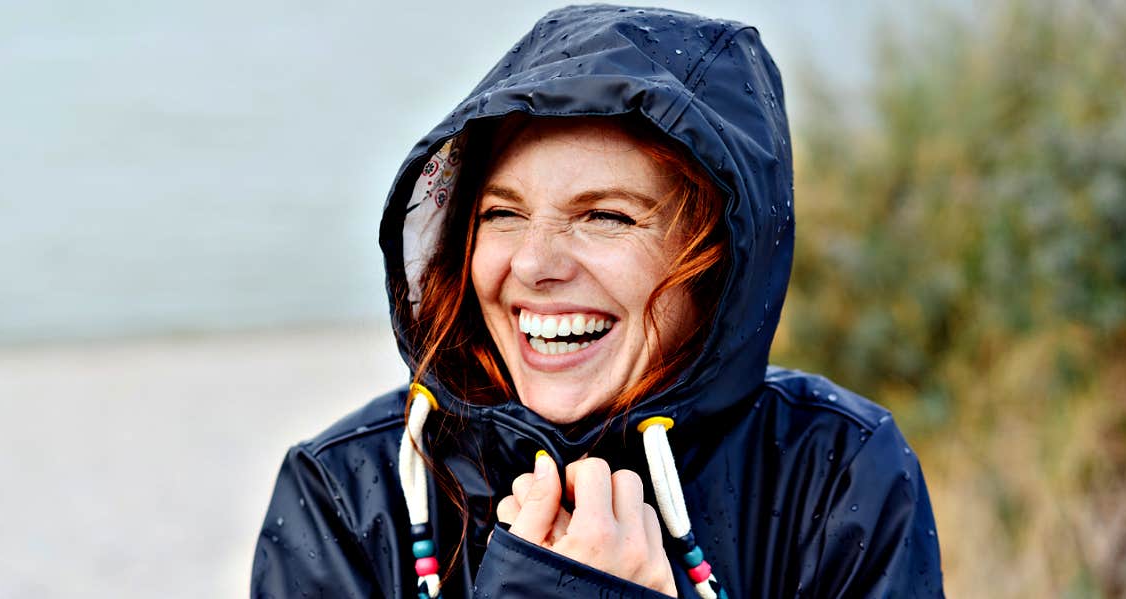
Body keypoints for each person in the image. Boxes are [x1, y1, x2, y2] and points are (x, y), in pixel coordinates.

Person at [251, 5, 944, 598]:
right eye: (501, 214)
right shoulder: (348, 492)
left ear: (722, 257)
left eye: (606, 216)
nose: (534, 264)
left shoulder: (835, 476)